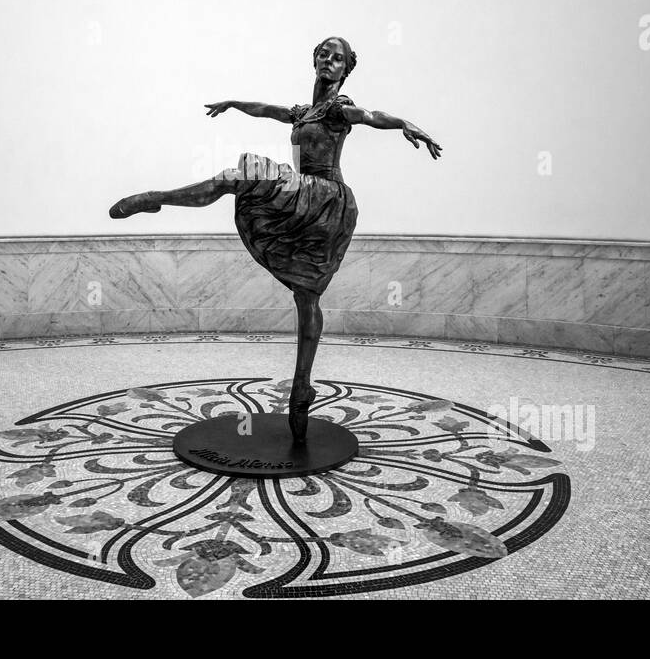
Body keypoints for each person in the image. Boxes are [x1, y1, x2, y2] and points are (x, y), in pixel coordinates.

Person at [109, 37, 442, 442]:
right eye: (323, 54)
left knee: (242, 186)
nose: (328, 61)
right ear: (314, 60)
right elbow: (266, 110)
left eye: (338, 59)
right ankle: (301, 389)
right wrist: (233, 103)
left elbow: (369, 115)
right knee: (300, 287)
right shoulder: (304, 112)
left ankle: (156, 199)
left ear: (346, 69)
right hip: (303, 195)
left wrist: (404, 123)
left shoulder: (338, 107)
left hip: (324, 200)